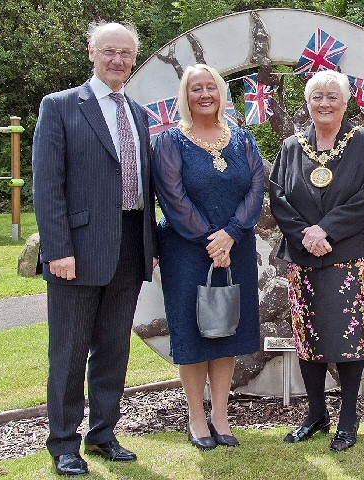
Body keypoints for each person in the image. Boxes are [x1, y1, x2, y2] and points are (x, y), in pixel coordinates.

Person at [32, 21, 157, 476]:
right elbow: (47, 187)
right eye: (109, 51)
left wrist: (151, 244)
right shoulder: (61, 107)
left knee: (113, 348)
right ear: (91, 52)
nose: (118, 60)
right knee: (68, 351)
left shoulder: (140, 115)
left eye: (126, 54)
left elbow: (147, 188)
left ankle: (103, 433)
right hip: (77, 252)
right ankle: (64, 443)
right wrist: (58, 249)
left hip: (129, 247)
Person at [270, 69, 364, 452]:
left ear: (346, 101)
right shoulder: (291, 146)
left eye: (332, 96)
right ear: (307, 102)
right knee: (308, 334)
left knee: (349, 335)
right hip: (304, 253)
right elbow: (279, 197)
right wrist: (306, 233)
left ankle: (349, 417)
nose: (324, 103)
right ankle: (316, 413)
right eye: (317, 96)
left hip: (352, 252)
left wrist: (326, 231)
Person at [152, 64, 264, 451]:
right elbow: (171, 195)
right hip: (186, 249)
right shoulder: (170, 141)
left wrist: (231, 234)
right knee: (193, 329)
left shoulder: (243, 139)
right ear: (186, 96)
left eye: (211, 88)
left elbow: (256, 187)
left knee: (227, 327)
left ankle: (220, 414)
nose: (204, 94)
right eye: (196, 88)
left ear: (221, 93)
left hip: (236, 247)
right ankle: (195, 417)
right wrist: (209, 239)